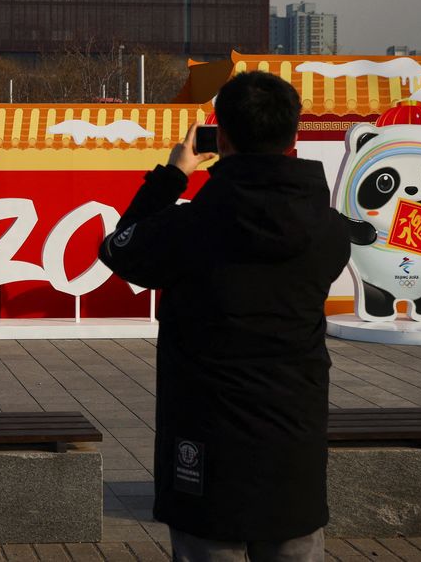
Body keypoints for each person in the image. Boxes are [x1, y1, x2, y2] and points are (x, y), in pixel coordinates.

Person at [97, 71, 350, 561]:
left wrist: (173, 175)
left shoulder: (189, 226)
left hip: (205, 446)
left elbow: (118, 249)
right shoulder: (330, 231)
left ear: (223, 138)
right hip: (294, 447)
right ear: (293, 137)